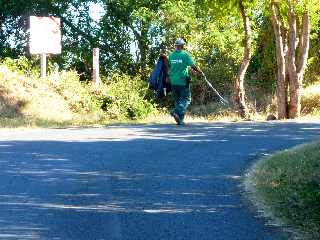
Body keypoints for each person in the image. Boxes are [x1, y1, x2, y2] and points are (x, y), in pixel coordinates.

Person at [168, 38, 204, 125]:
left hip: (173, 81)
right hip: (182, 81)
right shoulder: (185, 55)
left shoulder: (171, 55)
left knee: (178, 101)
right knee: (186, 99)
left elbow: (169, 67)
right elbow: (192, 65)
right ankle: (175, 111)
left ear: (176, 46)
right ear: (182, 46)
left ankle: (180, 120)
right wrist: (200, 72)